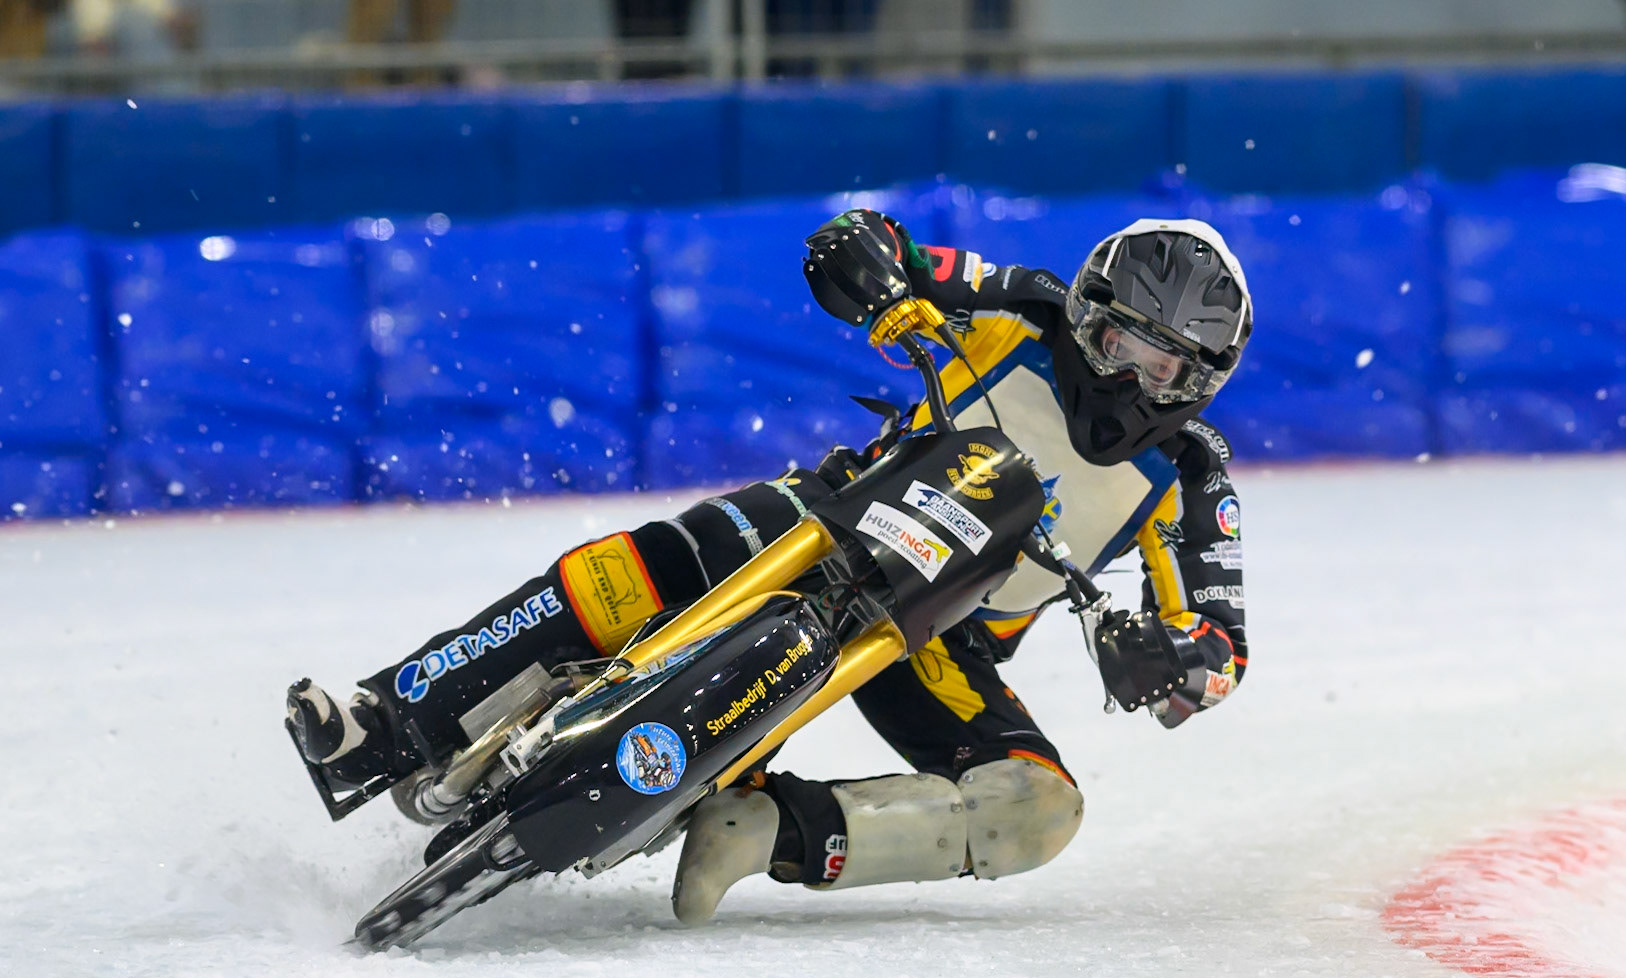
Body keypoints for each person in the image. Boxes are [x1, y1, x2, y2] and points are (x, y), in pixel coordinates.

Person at [284, 209, 1252, 925]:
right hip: (840, 511)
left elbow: (1220, 645)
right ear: (1085, 311)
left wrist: (1170, 659)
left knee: (1038, 806)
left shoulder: (1190, 475)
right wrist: (875, 271)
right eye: (1119, 342)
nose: (1129, 377)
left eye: (1163, 366)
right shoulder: (1020, 304)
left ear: (1198, 383)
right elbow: (882, 243)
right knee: (648, 564)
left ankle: (761, 827)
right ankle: (387, 718)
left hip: (942, 639)